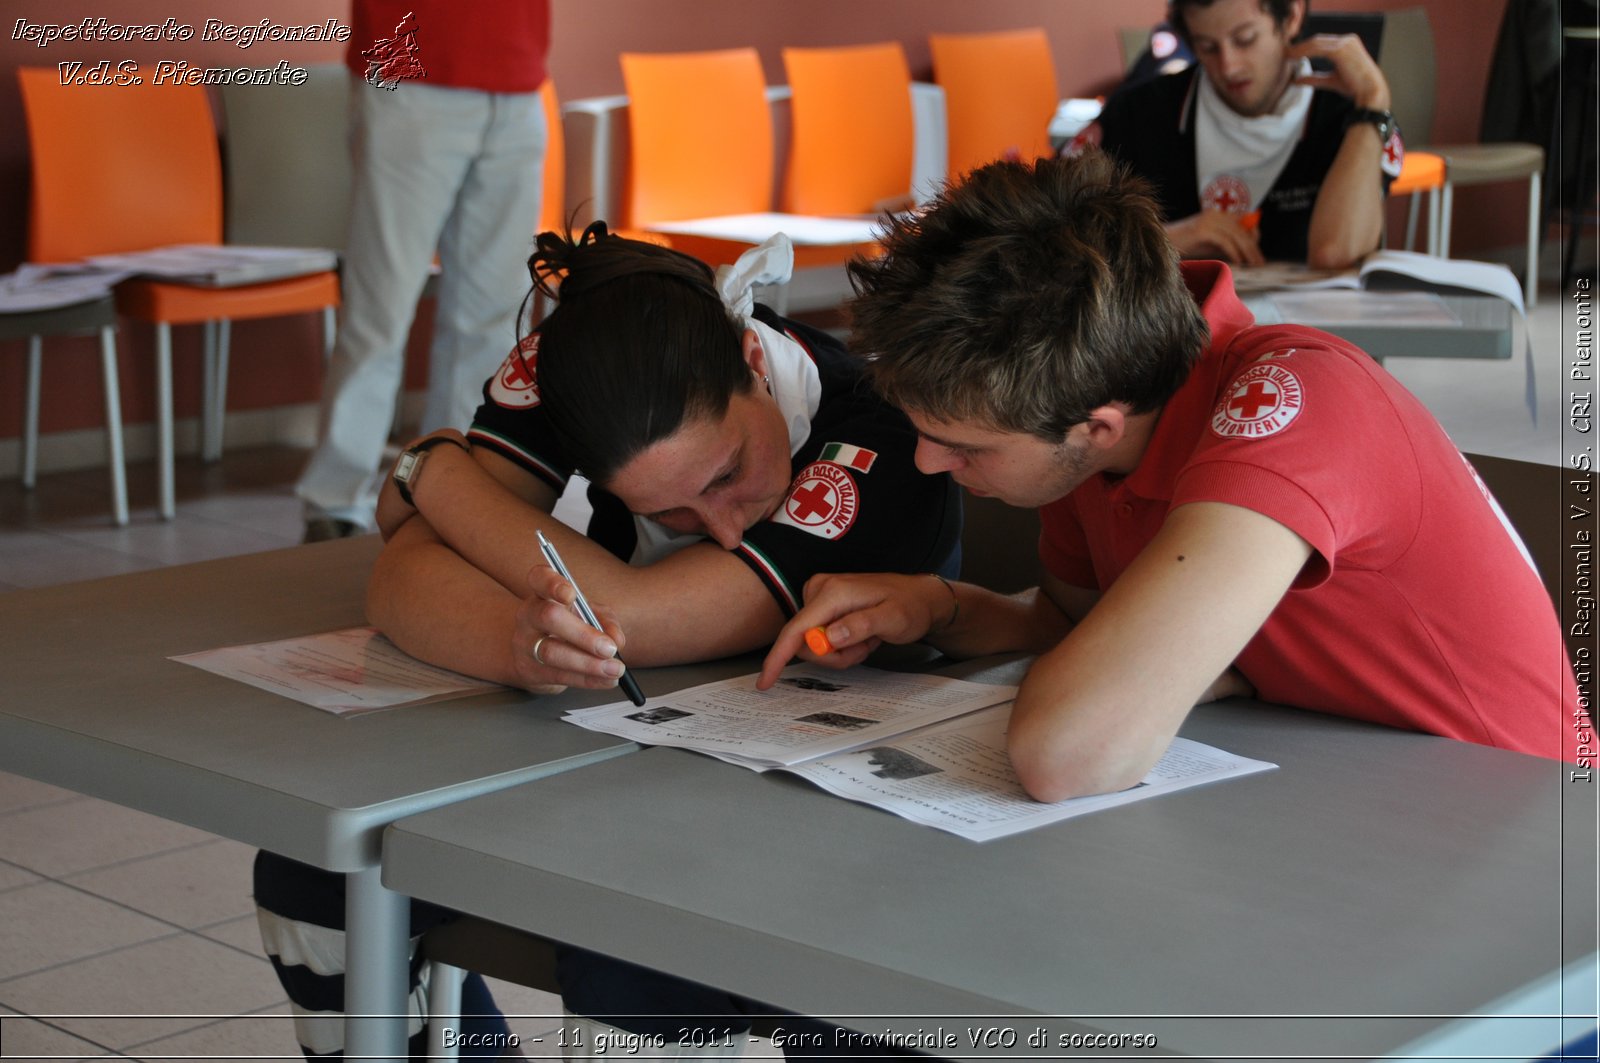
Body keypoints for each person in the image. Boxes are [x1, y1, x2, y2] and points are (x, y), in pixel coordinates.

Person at [255, 225, 962, 1059]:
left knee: (642, 951)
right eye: (672, 515)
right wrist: (517, 647)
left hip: (847, 831)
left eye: (728, 474)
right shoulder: (576, 371)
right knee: (313, 876)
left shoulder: (874, 423)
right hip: (629, 779)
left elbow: (632, 615)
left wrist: (430, 472)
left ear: (749, 356)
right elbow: (403, 576)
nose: (725, 533)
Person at [759, 152, 1588, 809]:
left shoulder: (1295, 405)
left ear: (1098, 427)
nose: (930, 464)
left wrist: (1131, 680)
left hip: (1530, 840)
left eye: (963, 446)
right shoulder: (1097, 398)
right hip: (1338, 795)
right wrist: (935, 606)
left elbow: (1070, 751)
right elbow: (1072, 621)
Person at [295, 0, 549, 542]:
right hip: (406, 69)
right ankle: (335, 502)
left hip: (517, 77)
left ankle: (451, 493)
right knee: (380, 310)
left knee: (493, 318)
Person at [1066, 0, 1402, 268]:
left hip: (1311, 337)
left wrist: (1372, 103)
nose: (1229, 66)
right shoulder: (1137, 112)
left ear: (1292, 17)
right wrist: (1170, 238)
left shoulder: (1350, 117)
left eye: (1245, 39)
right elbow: (1052, 236)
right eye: (1208, 47)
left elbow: (1336, 255)